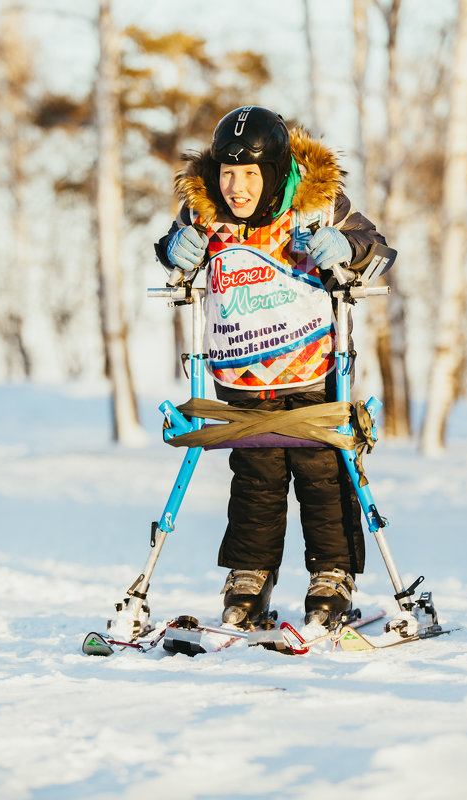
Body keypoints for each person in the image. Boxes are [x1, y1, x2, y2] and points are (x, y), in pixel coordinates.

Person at [154, 106, 389, 631]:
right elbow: (169, 255)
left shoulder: (317, 207)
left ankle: (333, 573)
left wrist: (347, 247)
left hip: (312, 370)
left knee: (322, 472)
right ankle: (251, 574)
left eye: (251, 175)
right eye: (228, 172)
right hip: (242, 373)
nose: (236, 187)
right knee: (256, 476)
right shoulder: (203, 212)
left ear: (277, 172)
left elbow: (377, 247)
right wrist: (174, 249)